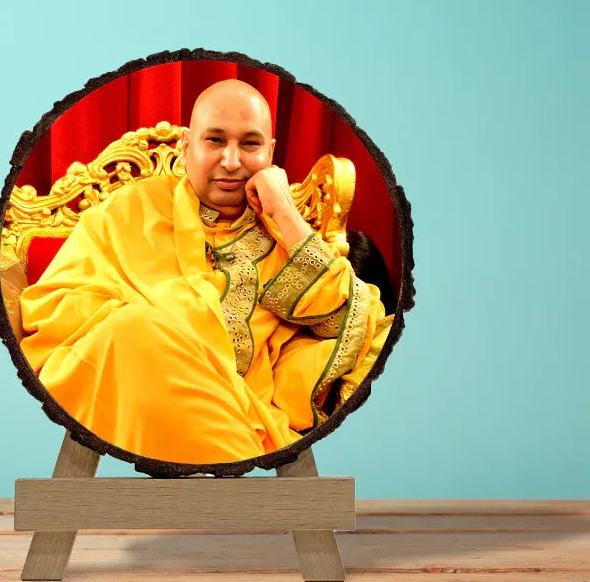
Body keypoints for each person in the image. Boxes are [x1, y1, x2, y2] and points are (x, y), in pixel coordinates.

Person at [19, 80, 394, 464]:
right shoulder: (128, 209)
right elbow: (54, 309)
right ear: (186, 146)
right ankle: (247, 502)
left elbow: (345, 320)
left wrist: (284, 210)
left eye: (250, 144)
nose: (231, 161)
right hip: (131, 391)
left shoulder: (283, 234)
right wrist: (164, 333)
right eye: (214, 141)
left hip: (242, 415)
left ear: (270, 153)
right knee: (133, 330)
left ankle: (234, 488)